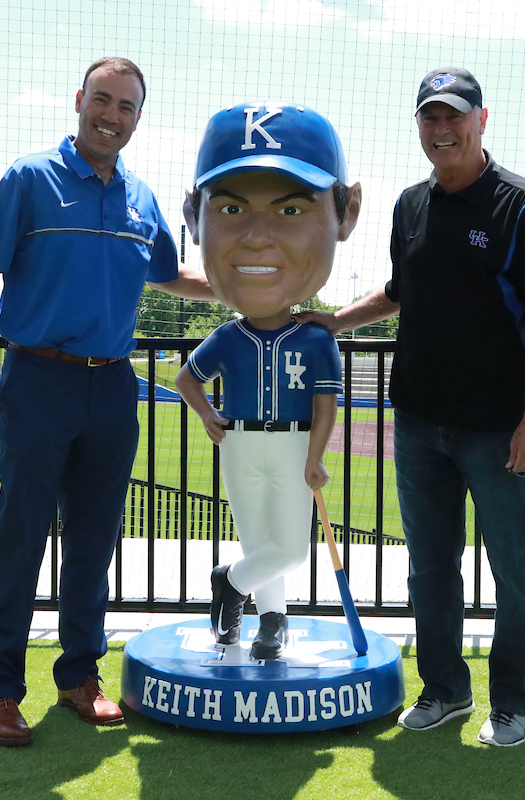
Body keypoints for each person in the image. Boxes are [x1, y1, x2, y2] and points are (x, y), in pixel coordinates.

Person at [297, 68, 525, 746]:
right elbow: (401, 290)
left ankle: (510, 701)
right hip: (420, 423)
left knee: (517, 573)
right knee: (430, 567)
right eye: (429, 117)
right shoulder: (409, 206)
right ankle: (446, 690)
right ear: (418, 125)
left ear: (482, 120)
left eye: (454, 116)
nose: (441, 129)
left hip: (500, 429)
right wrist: (335, 321)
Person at [0, 57, 214, 747]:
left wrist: (248, 287)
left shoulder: (140, 196)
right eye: (103, 100)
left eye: (127, 107)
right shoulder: (28, 179)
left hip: (112, 385)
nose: (112, 116)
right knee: (20, 536)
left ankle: (79, 677)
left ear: (137, 118)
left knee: (95, 541)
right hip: (38, 380)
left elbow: (172, 274)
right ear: (79, 101)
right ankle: (0, 690)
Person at [174, 103, 361, 660]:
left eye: (290, 208)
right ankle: (269, 625)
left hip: (292, 441)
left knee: (291, 548)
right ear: (197, 215)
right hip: (239, 439)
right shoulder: (230, 335)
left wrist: (317, 453)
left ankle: (228, 583)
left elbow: (327, 403)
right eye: (231, 206)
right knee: (260, 540)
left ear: (345, 213)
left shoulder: (314, 335)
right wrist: (210, 416)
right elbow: (187, 379)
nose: (257, 237)